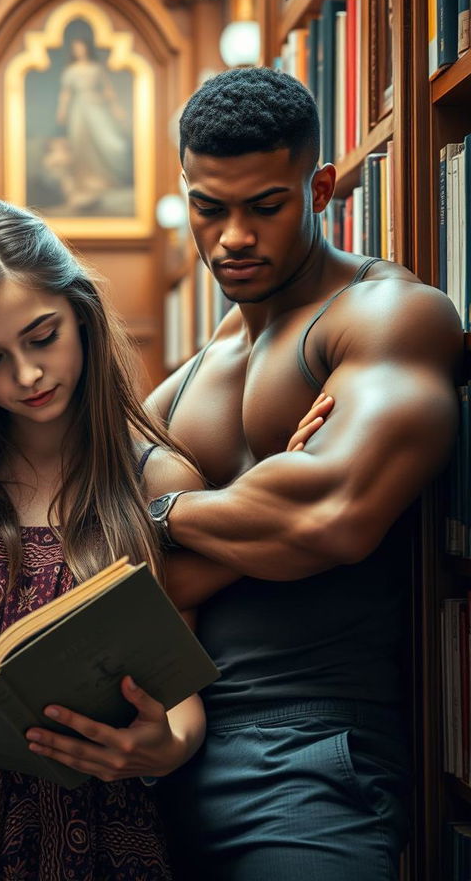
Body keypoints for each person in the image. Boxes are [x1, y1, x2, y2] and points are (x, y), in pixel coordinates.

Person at [32, 67, 463, 880]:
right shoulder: (182, 383)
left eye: (265, 206)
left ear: (320, 188)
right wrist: (264, 491)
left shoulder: (386, 315)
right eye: (210, 207)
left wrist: (166, 514)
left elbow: (329, 518)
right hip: (154, 752)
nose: (233, 236)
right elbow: (103, 567)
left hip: (306, 758)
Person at [0, 196, 331, 880]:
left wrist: (164, 748)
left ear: (80, 313)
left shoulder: (154, 476)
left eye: (42, 337)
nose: (27, 375)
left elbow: (178, 687)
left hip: (99, 835)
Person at [55, 37, 133, 214]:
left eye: (81, 47)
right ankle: (84, 182)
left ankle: (104, 180)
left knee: (109, 142)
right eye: (75, 48)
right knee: (80, 143)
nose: (79, 51)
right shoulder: (71, 71)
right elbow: (65, 94)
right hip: (78, 110)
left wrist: (117, 109)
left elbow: (107, 91)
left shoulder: (95, 69)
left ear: (86, 48)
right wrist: (62, 112)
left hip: (95, 106)